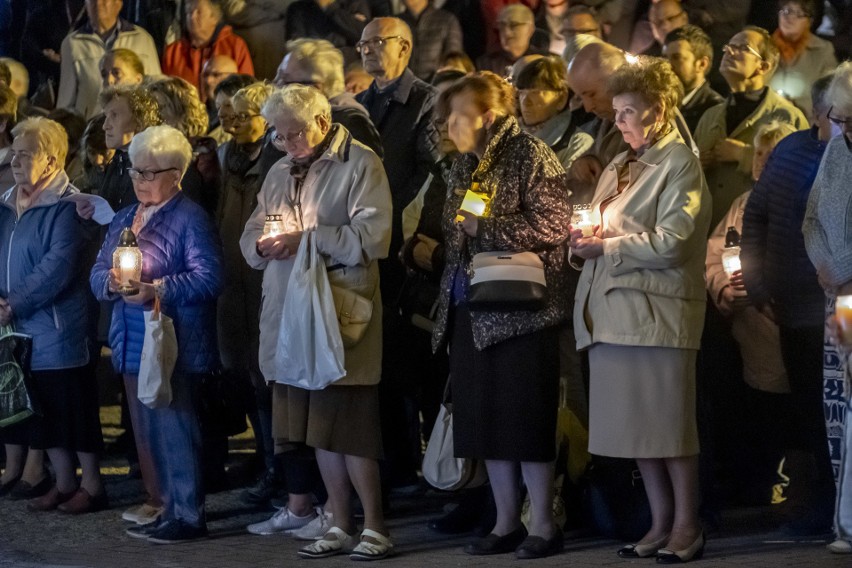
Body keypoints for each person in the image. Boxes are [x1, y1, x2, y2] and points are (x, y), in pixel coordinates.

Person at [239, 84, 394, 560]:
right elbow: (252, 231)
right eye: (279, 137)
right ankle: (340, 522)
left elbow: (374, 237)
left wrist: (306, 239)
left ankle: (376, 526)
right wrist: (262, 247)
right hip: (291, 311)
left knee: (350, 425)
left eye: (295, 134)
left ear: (323, 123)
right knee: (316, 428)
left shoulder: (360, 163)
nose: (287, 145)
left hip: (339, 310)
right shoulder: (281, 169)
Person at [570, 56, 710, 563]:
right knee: (638, 432)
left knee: (669, 428)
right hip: (612, 315)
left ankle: (687, 524)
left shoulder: (680, 163)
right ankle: (658, 522)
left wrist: (606, 247)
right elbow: (598, 225)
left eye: (629, 111)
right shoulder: (621, 161)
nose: (618, 120)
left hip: (657, 316)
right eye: (617, 111)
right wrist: (582, 240)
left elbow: (675, 240)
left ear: (661, 109)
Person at [430, 70, 570, 560]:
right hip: (472, 309)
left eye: (459, 115)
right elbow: (456, 231)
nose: (449, 124)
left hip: (521, 313)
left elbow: (556, 224)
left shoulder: (530, 154)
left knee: (524, 422)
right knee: (487, 422)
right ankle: (505, 520)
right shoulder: (465, 163)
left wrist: (486, 224)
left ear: (488, 117)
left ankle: (544, 525)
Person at [91, 124, 225, 544]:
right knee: (147, 429)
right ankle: (165, 505)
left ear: (177, 173)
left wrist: (158, 289)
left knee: (175, 426)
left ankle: (188, 512)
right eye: (135, 172)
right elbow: (97, 270)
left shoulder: (190, 217)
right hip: (131, 338)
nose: (140, 181)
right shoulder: (124, 217)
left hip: (174, 340)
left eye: (150, 173)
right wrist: (111, 284)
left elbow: (210, 277)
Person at [742, 73, 839, 536]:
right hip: (795, 308)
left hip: (839, 306)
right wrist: (759, 286)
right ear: (820, 112)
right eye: (838, 114)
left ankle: (838, 508)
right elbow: (756, 215)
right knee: (807, 411)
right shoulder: (790, 151)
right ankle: (815, 506)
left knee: (840, 412)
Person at [0, 117, 106, 514]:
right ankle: (62, 483)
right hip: (21, 329)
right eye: (14, 150)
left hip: (58, 327)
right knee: (44, 411)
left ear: (52, 160)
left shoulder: (69, 208)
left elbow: (57, 266)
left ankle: (93, 486)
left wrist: (13, 304)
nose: (15, 158)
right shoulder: (8, 203)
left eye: (26, 152)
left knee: (73, 410)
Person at [355, 15, 442, 494]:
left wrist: (394, 218)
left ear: (405, 48)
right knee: (382, 366)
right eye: (362, 44)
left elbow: (434, 173)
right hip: (371, 249)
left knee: (420, 365)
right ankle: (396, 466)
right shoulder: (362, 103)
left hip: (410, 250)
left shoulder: (425, 101)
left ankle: (437, 471)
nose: (367, 50)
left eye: (377, 42)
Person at [705, 121, 796, 504]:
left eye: (772, 155)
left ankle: (786, 489)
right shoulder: (741, 203)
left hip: (780, 327)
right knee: (748, 417)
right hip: (743, 333)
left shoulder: (794, 203)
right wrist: (723, 289)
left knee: (784, 417)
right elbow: (713, 256)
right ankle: (752, 491)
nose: (761, 161)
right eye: (758, 152)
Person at [803, 61, 852, 540]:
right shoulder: (838, 152)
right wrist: (825, 265)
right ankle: (848, 516)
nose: (844, 131)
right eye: (841, 120)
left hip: (845, 284)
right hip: (839, 300)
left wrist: (841, 267)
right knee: (845, 407)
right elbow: (812, 217)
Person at [694, 25, 808, 230]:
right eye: (729, 46)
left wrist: (745, 156)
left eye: (742, 48)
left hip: (753, 232)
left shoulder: (788, 117)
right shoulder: (711, 116)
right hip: (705, 230)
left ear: (763, 67)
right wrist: (697, 164)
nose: (729, 51)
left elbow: (798, 179)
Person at [275, 39, 383, 157]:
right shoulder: (287, 122)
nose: (276, 85)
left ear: (314, 89)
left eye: (284, 80)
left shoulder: (350, 127)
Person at [57, 0, 161, 119]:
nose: (98, 3)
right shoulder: (72, 44)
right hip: (91, 128)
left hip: (134, 124)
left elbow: (155, 88)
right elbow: (66, 99)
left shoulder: (142, 39)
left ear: (119, 4)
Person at [146, 76, 220, 217]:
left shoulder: (202, 152)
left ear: (182, 110)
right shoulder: (153, 152)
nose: (153, 116)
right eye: (150, 109)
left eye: (160, 108)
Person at [161, 0, 254, 100]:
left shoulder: (235, 46)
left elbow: (248, 90)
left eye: (198, 12)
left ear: (214, 17)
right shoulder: (173, 52)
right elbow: (165, 93)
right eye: (189, 12)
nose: (192, 17)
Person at [516, 56, 593, 171]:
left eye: (536, 92)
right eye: (522, 93)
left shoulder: (578, 143)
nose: (525, 102)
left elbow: (569, 188)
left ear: (561, 98)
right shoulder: (510, 137)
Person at [769, 0, 838, 121]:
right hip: (766, 119)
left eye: (798, 13)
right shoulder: (764, 47)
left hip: (806, 123)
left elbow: (828, 96)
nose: (789, 18)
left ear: (809, 21)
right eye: (786, 11)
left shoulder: (823, 50)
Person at [99, 85, 161, 212]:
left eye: (114, 115)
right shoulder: (116, 162)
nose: (105, 126)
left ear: (138, 121)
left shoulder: (156, 169)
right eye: (106, 116)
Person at [663, 25, 725, 134]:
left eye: (677, 57)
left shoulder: (715, 110)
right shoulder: (660, 101)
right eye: (665, 57)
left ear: (702, 64)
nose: (667, 65)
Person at [285, 0, 371, 66]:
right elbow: (296, 47)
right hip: (313, 68)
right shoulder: (297, 9)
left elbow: (365, 37)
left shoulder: (355, 3)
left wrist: (329, 7)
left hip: (350, 67)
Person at [400, 0, 463, 80]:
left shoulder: (448, 21)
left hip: (436, 86)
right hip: (401, 88)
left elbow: (454, 61)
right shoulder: (394, 23)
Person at [477, 4, 545, 77]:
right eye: (502, 25)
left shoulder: (543, 61)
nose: (507, 33)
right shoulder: (486, 63)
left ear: (530, 29)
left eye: (514, 25)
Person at [200, 54, 238, 135]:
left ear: (233, 77)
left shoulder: (240, 118)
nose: (208, 81)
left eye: (216, 75)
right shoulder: (197, 112)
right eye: (205, 75)